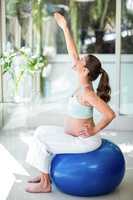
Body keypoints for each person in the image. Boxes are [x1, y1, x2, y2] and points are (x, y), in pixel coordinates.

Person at [25, 12, 116, 193]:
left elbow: (110, 114)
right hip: (75, 138)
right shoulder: (82, 81)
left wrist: (94, 130)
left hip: (84, 142)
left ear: (85, 71)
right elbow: (73, 52)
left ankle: (45, 184)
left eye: (81, 61)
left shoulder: (88, 93)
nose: (77, 60)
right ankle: (45, 175)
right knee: (40, 131)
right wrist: (65, 27)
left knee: (43, 140)